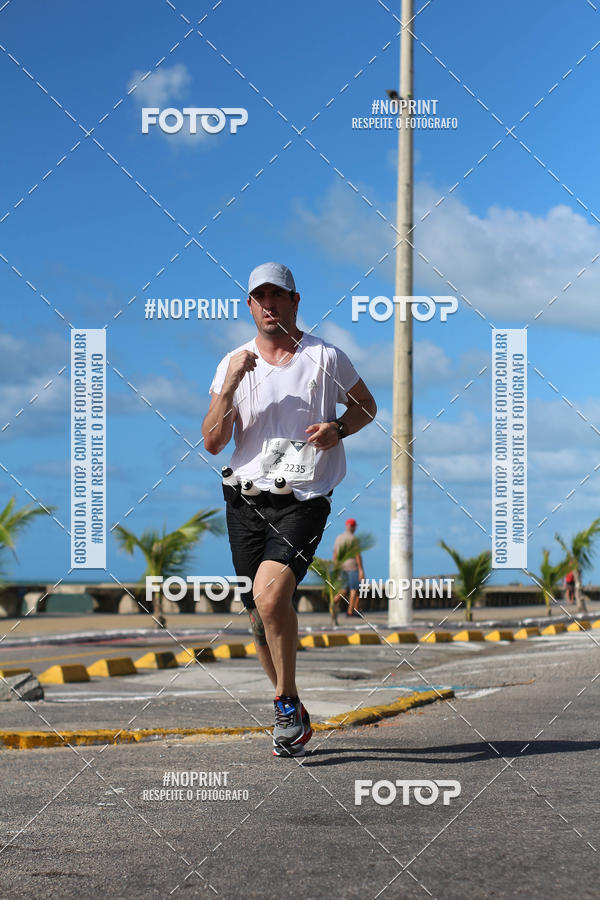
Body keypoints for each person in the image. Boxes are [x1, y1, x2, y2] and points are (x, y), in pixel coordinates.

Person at [202, 262, 376, 757]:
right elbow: (214, 441)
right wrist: (232, 383)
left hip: (303, 497)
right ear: (250, 306)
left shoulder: (325, 356)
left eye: (279, 296)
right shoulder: (233, 361)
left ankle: (283, 700)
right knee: (259, 613)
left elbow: (366, 406)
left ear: (295, 302)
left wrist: (339, 430)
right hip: (245, 498)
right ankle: (291, 706)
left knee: (272, 594)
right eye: (260, 298)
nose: (270, 305)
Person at [333, 518, 365, 617]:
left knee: (343, 589)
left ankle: (333, 601)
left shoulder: (339, 538)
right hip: (352, 567)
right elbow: (357, 555)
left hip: (341, 566)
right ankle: (350, 612)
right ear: (353, 527)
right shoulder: (353, 539)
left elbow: (335, 553)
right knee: (354, 589)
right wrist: (360, 569)